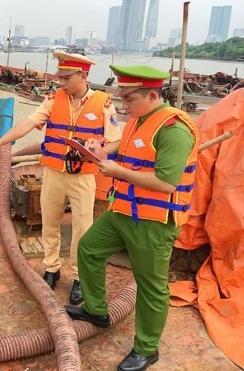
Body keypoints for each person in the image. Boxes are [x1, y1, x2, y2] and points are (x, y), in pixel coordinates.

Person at [65, 65, 199, 371]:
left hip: (153, 221)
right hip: (123, 210)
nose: (124, 106)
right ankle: (97, 310)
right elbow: (128, 152)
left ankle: (147, 349)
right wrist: (102, 150)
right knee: (89, 248)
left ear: (153, 95)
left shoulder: (174, 130)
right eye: (122, 99)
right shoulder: (140, 119)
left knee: (151, 286)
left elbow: (167, 182)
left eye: (130, 99)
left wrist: (116, 171)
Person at [0, 51, 122, 304]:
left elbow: (115, 140)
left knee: (82, 229)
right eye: (59, 77)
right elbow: (29, 123)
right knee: (50, 222)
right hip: (53, 172)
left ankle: (79, 277)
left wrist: (99, 150)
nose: (61, 82)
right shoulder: (54, 99)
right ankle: (52, 268)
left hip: (83, 176)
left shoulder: (103, 103)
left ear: (83, 75)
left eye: (66, 77)